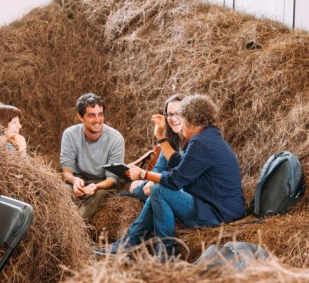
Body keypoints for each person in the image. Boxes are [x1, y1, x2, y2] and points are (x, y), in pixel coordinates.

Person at [95, 94, 246, 258]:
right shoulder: (209, 136)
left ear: (191, 120)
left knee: (158, 190)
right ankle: (128, 244)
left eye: (182, 119)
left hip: (217, 214)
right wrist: (161, 137)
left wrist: (143, 174)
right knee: (157, 192)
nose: (180, 125)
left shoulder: (200, 142)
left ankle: (164, 253)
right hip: (220, 208)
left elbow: (175, 180)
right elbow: (180, 163)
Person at [59, 92, 126, 222]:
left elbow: (111, 179)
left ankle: (76, 224)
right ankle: (60, 220)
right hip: (80, 177)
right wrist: (75, 181)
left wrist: (96, 186)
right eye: (91, 115)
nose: (97, 120)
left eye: (100, 114)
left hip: (103, 181)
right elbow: (66, 172)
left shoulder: (116, 139)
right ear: (80, 117)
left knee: (99, 195)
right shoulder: (69, 134)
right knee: (63, 190)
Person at [126, 94, 186, 202]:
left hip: (185, 189)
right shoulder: (171, 140)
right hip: (168, 182)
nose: (173, 118)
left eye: (178, 113)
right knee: (135, 186)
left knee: (155, 190)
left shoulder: (195, 141)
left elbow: (181, 175)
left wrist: (147, 176)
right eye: (170, 114)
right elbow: (160, 167)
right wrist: (151, 181)